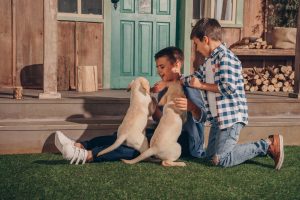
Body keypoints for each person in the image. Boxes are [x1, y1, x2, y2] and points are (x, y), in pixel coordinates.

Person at [55, 46, 207, 165]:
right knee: (123, 136)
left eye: (162, 67)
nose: (158, 71)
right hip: (165, 133)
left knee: (137, 145)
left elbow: (204, 116)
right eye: (157, 67)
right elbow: (161, 121)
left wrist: (192, 107)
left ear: (177, 64)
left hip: (184, 142)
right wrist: (152, 106)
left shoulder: (189, 85)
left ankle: (88, 156)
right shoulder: (163, 89)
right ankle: (80, 145)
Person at [181, 18, 284, 169]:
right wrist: (176, 79)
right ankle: (230, 149)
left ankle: (267, 145)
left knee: (222, 160)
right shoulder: (209, 61)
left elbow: (228, 87)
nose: (196, 49)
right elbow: (194, 79)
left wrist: (201, 85)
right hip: (218, 119)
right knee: (210, 158)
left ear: (205, 39)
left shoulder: (226, 57)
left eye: (196, 44)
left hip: (231, 117)